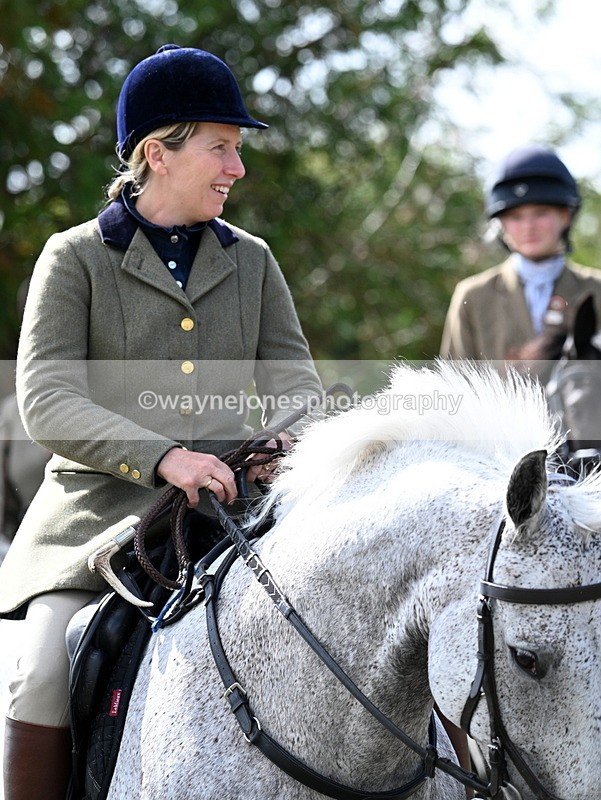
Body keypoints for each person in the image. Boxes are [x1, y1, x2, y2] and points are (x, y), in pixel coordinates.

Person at [0, 44, 322, 800]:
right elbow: (44, 398)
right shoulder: (72, 258)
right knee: (43, 673)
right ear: (157, 153)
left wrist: (281, 438)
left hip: (230, 514)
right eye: (222, 148)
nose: (236, 168)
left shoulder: (254, 262)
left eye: (236, 151)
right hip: (96, 520)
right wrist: (164, 457)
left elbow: (295, 385)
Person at [440, 144, 601, 377]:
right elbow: (455, 384)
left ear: (565, 216)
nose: (528, 227)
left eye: (541, 213)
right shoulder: (473, 297)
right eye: (515, 216)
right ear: (502, 224)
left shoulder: (597, 290)